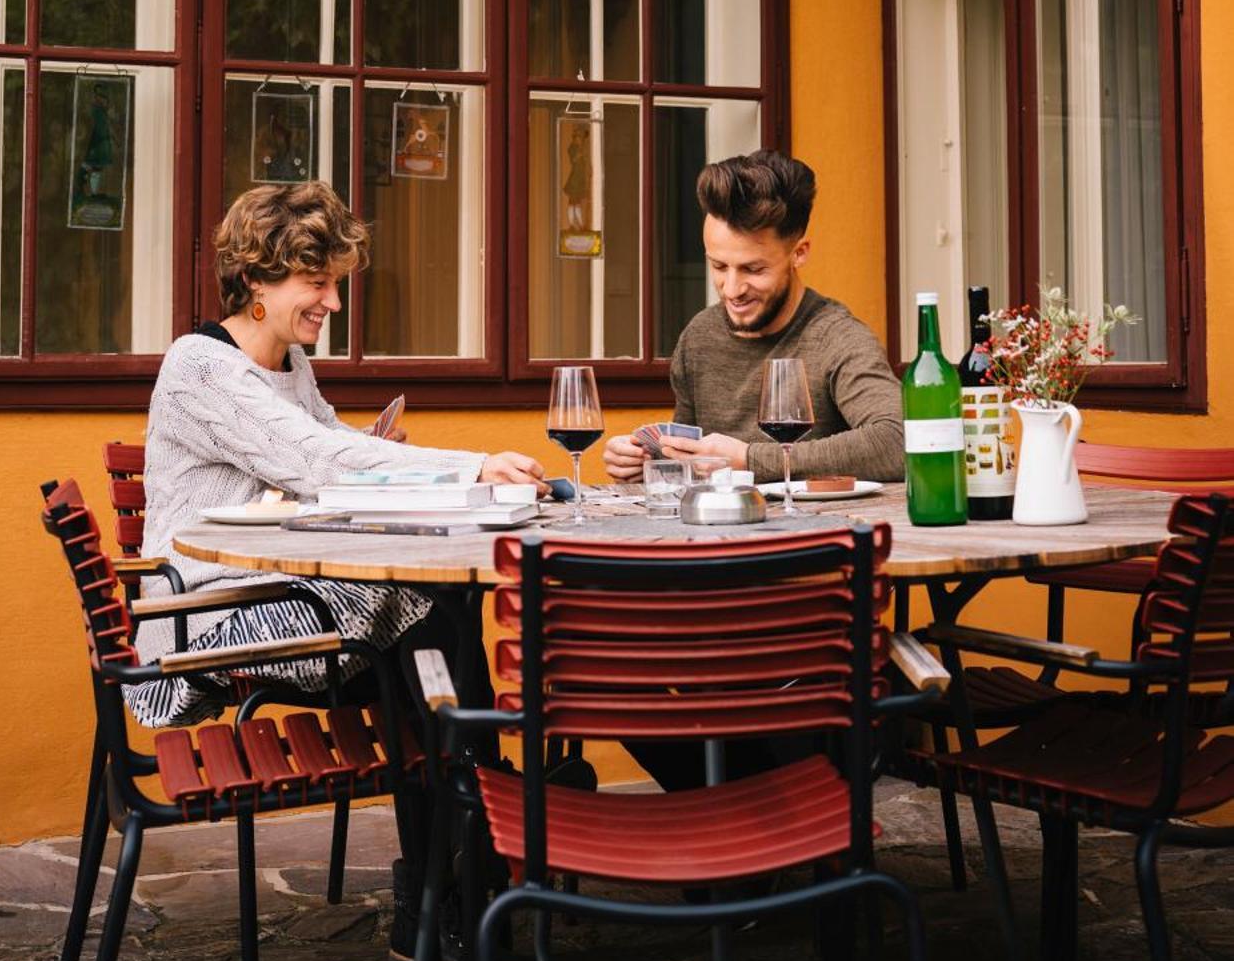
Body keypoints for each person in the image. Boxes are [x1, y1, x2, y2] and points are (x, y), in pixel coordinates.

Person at [134, 179, 543, 730]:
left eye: (336, 282)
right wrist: (471, 467)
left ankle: (467, 790)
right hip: (209, 613)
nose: (335, 302)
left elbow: (325, 440)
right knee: (423, 608)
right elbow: (317, 459)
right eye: (318, 283)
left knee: (431, 607)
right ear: (256, 279)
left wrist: (378, 456)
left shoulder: (289, 361)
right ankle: (475, 786)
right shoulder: (200, 367)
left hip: (277, 587)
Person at [604, 149, 903, 487]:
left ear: (799, 253)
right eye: (718, 266)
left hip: (814, 532)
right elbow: (691, 468)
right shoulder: (699, 337)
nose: (732, 289)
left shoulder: (837, 338)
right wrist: (644, 463)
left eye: (753, 269)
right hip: (718, 533)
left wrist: (749, 460)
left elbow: (898, 441)